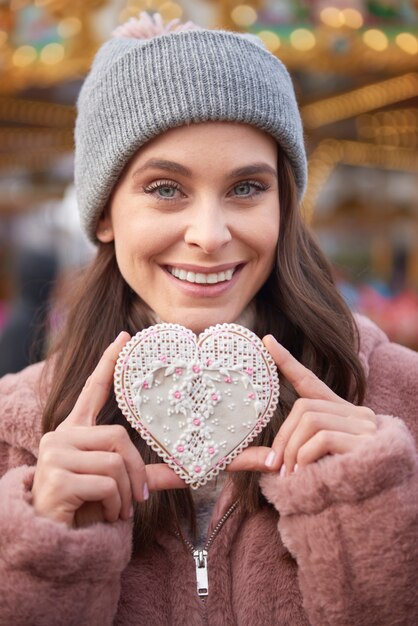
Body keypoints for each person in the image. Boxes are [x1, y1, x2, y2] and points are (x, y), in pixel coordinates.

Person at [0, 11, 416, 626]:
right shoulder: (16, 435)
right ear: (105, 214)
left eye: (247, 187)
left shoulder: (397, 399)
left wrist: (371, 508)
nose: (210, 235)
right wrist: (45, 554)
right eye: (166, 188)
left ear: (283, 205)